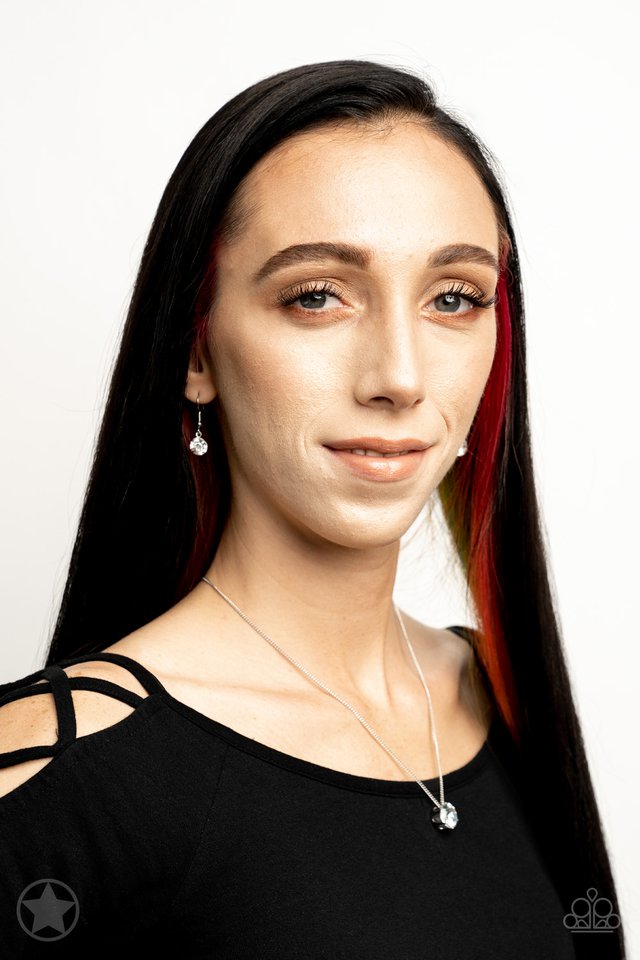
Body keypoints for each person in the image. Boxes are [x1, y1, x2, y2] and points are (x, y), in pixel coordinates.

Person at [0, 59, 626, 958]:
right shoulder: (63, 775)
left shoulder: (501, 692)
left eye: (454, 299)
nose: (400, 377)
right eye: (317, 296)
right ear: (196, 349)